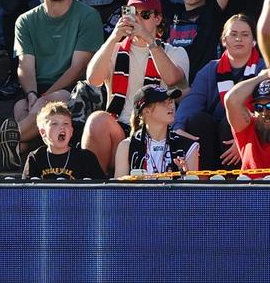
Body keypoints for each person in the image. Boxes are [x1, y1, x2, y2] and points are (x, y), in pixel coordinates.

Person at [0, 0, 102, 170]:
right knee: (20, 106)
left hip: (73, 89)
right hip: (37, 88)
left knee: (50, 103)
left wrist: (42, 99)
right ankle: (16, 149)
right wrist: (32, 95)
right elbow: (25, 66)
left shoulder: (88, 16)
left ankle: (2, 141)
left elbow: (78, 68)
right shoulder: (25, 21)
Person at [81, 0, 189, 175]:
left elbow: (172, 79)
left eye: (145, 15)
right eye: (131, 13)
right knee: (97, 120)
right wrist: (114, 37)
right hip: (120, 128)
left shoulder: (175, 52)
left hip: (157, 130)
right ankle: (95, 189)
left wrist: (149, 40)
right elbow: (92, 80)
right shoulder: (113, 49)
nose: (137, 20)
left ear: (157, 19)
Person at [174, 14, 263, 171]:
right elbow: (192, 102)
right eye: (233, 34)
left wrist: (244, 139)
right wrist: (179, 127)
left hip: (250, 138)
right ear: (224, 40)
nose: (238, 39)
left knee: (229, 125)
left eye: (245, 35)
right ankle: (204, 182)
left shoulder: (263, 70)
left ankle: (236, 182)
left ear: (254, 41)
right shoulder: (210, 70)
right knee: (198, 120)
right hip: (214, 142)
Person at [113, 85, 198, 178]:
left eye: (170, 101)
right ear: (146, 111)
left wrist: (185, 176)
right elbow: (119, 190)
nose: (171, 106)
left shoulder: (188, 146)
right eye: (163, 102)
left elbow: (191, 191)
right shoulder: (127, 147)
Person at [22, 102, 105, 180]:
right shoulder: (36, 158)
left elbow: (100, 190)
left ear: (71, 131)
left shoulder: (85, 157)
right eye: (55, 124)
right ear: (43, 132)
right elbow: (26, 192)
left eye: (66, 123)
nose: (62, 127)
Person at [225, 73, 270, 174]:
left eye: (269, 106)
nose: (264, 112)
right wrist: (264, 75)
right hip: (251, 189)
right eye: (259, 108)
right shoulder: (248, 127)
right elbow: (231, 99)